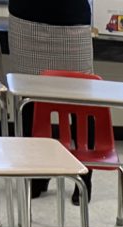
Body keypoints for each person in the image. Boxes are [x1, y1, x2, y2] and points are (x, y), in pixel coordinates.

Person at [7, 0, 94, 201]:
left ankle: (85, 173)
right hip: (25, 18)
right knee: (28, 101)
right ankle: (37, 173)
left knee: (82, 101)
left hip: (71, 18)